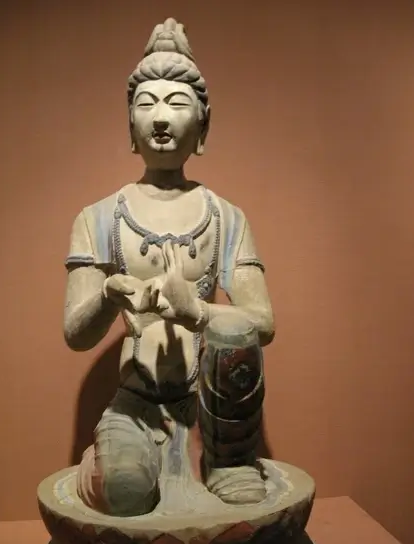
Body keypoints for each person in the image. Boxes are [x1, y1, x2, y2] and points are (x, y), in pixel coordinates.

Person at [64, 18, 275, 517]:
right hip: (136, 402)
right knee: (125, 494)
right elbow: (76, 334)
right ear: (129, 126)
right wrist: (108, 297)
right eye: (146, 104)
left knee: (234, 332)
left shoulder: (226, 217)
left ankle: (227, 460)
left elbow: (262, 324)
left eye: (177, 103)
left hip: (216, 408)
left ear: (203, 125)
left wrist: (196, 311)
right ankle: (116, 460)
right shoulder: (99, 218)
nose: (160, 119)